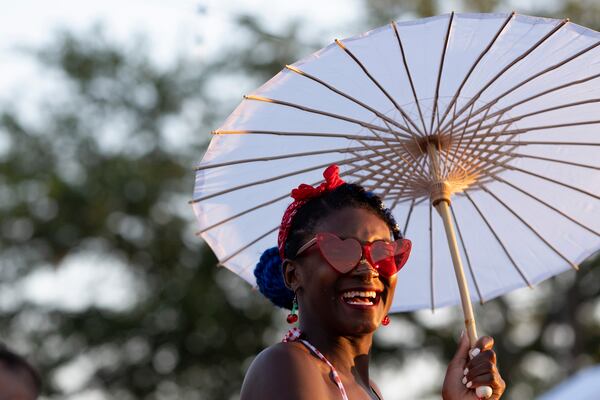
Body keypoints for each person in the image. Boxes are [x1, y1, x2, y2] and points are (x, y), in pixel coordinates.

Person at [241, 165, 505, 400]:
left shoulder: (372, 391)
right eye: (341, 250)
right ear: (293, 275)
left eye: (383, 253)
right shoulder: (284, 366)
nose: (368, 270)